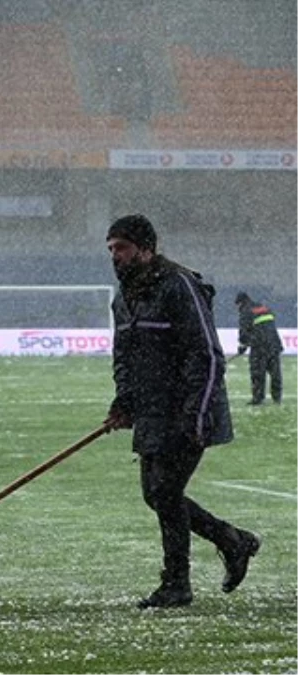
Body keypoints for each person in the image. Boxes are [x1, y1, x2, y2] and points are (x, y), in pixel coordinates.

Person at [102, 214, 260, 609]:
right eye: (111, 250)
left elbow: (206, 353)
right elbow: (125, 357)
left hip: (189, 409)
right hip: (152, 412)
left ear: (146, 248)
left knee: (165, 490)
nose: (115, 256)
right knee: (155, 494)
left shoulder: (179, 285)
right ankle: (232, 540)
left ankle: (177, 583)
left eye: (121, 248)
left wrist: (197, 412)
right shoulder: (123, 299)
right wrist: (124, 401)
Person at [234, 292, 283, 405]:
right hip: (274, 344)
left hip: (259, 346)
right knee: (275, 373)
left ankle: (258, 398)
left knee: (257, 373)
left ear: (240, 303)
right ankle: (277, 398)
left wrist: (242, 346)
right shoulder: (263, 307)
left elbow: (244, 331)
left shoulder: (245, 311)